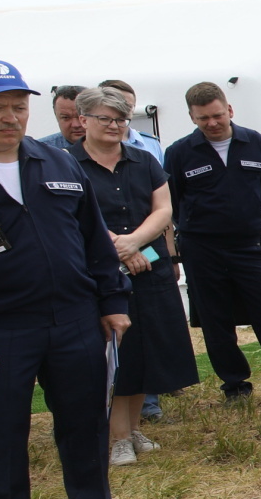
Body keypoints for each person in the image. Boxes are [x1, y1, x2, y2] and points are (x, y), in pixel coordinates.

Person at [0, 59, 144, 499]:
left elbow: (95, 239)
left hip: (73, 318)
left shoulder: (55, 162)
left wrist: (113, 300)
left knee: (84, 421)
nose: (10, 116)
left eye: (18, 106)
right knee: (0, 436)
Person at [162, 82, 261, 401]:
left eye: (217, 115)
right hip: (201, 249)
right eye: (203, 119)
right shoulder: (178, 153)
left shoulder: (255, 143)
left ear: (229, 109)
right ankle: (235, 386)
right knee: (216, 320)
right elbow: (171, 203)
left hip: (247, 246)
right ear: (192, 117)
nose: (212, 123)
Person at [73, 88, 194, 465]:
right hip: (98, 272)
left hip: (149, 268)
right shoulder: (66, 164)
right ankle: (118, 437)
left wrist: (136, 243)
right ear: (83, 121)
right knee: (114, 352)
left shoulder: (145, 161)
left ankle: (132, 428)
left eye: (121, 119)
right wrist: (117, 247)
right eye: (105, 118)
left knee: (146, 351)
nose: (114, 125)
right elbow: (74, 216)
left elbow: (163, 210)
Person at [38, 85, 88, 151]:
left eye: (81, 117)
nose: (75, 125)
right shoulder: (39, 151)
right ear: (56, 116)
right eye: (66, 117)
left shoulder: (106, 148)